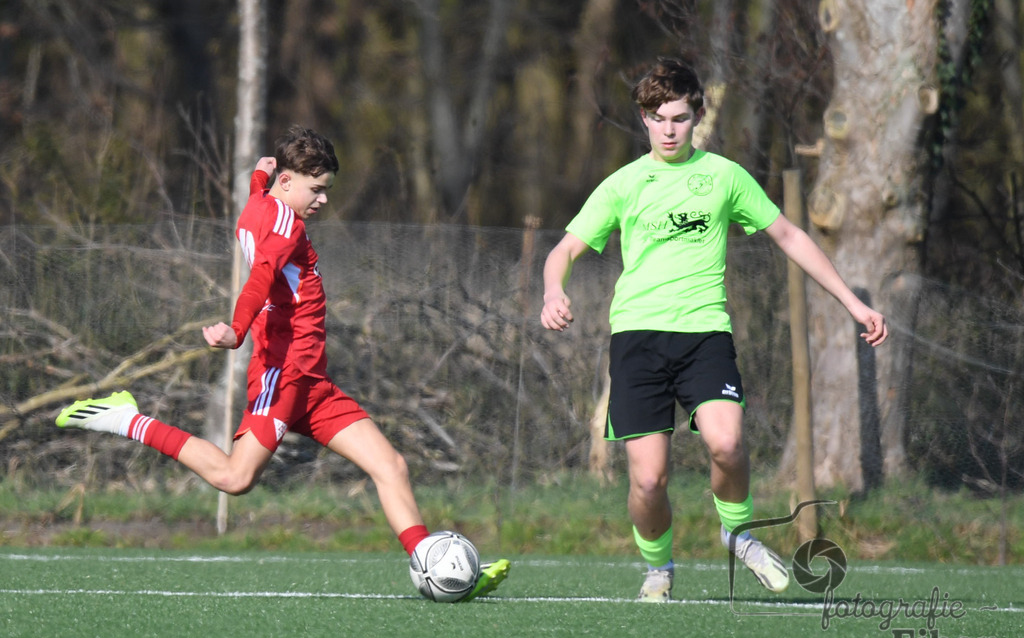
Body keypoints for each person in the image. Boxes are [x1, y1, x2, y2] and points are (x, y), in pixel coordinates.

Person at [57, 125, 509, 600]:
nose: (323, 201)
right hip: (285, 371)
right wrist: (236, 329)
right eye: (317, 189)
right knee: (235, 478)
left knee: (390, 465)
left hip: (311, 380)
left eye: (327, 190)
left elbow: (262, 203)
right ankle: (127, 420)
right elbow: (262, 276)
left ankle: (436, 569)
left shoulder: (261, 203)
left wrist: (259, 173)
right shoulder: (285, 226)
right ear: (289, 182)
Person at [540, 58, 888, 602]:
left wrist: (851, 303)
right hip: (637, 340)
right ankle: (658, 566)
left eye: (679, 117)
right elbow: (563, 249)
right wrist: (553, 290)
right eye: (658, 118)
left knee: (727, 444)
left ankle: (737, 532)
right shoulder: (624, 184)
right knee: (649, 481)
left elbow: (790, 236)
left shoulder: (723, 176)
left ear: (697, 114)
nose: (670, 129)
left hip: (705, 335)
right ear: (644, 119)